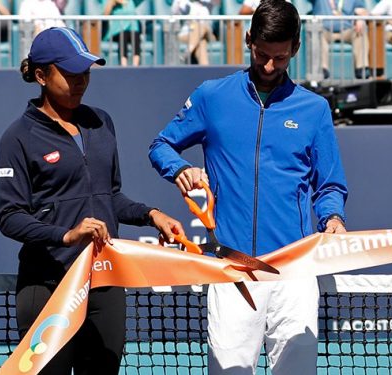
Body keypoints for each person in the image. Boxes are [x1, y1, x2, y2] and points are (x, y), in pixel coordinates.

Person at [148, 0, 348, 373]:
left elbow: (330, 184)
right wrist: (180, 169)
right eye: (262, 55)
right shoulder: (211, 96)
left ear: (296, 50)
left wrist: (332, 216)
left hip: (295, 271)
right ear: (248, 40)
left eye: (281, 58)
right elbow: (161, 145)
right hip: (231, 270)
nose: (270, 66)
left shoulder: (315, 109)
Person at [0, 27, 185, 373]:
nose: (80, 81)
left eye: (84, 72)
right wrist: (66, 235)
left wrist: (150, 214)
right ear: (41, 75)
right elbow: (9, 215)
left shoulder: (101, 123)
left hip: (103, 282)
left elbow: (109, 196)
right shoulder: (17, 137)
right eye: (69, 73)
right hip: (48, 288)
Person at [312, 0, 370, 79]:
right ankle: (323, 70)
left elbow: (363, 11)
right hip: (325, 30)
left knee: (360, 32)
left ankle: (362, 68)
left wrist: (361, 19)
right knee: (317, 33)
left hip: (347, 29)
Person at [172, 0, 218, 65]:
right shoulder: (181, 2)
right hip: (187, 32)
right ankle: (206, 72)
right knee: (202, 43)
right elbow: (174, 15)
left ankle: (187, 52)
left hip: (207, 33)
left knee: (201, 26)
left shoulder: (207, 2)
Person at [103, 0, 143, 66]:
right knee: (123, 35)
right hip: (117, 32)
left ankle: (136, 65)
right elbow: (105, 15)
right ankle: (123, 65)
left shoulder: (131, 1)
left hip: (132, 30)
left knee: (135, 35)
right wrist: (112, 3)